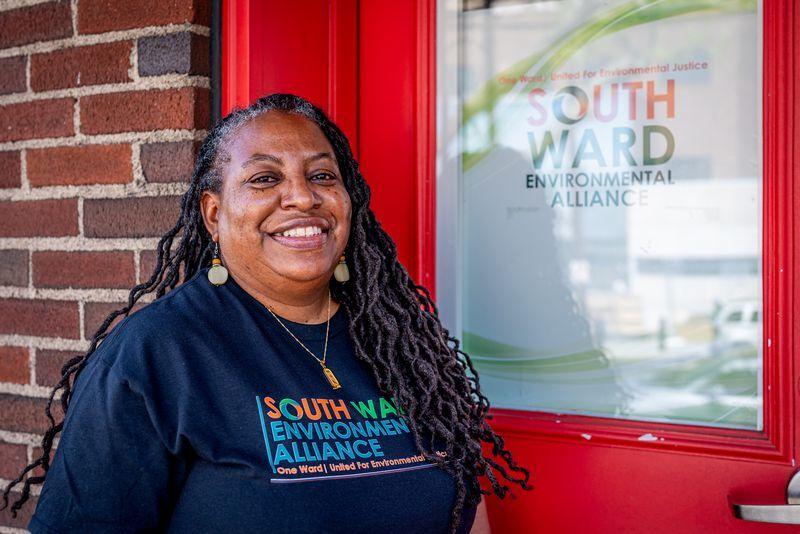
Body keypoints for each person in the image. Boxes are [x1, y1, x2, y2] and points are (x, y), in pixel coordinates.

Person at [1, 93, 532, 533]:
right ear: (214, 213)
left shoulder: (399, 342)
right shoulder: (158, 352)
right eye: (263, 179)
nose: (301, 197)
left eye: (322, 176)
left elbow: (467, 510)